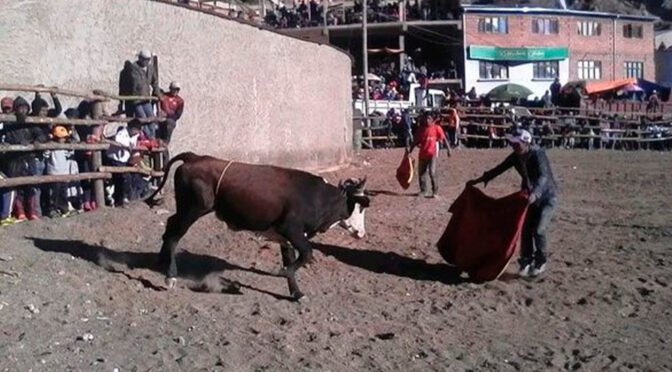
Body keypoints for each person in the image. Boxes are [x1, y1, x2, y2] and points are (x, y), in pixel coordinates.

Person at [466, 129, 558, 278]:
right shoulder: (516, 157)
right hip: (528, 197)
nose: (514, 146)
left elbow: (543, 177)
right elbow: (498, 169)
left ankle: (540, 261)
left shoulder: (538, 154)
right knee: (526, 230)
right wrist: (480, 180)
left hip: (547, 197)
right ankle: (526, 260)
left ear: (526, 143)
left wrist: (535, 194)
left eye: (517, 143)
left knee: (539, 229)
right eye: (513, 143)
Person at [0, 96, 49, 220]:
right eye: (20, 108)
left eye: (25, 108)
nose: (23, 111)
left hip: (28, 158)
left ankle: (31, 211)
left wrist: (36, 142)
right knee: (16, 186)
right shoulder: (9, 123)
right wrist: (5, 144)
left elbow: (41, 135)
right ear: (15, 109)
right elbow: (3, 136)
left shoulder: (30, 123)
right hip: (14, 159)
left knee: (30, 186)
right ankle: (20, 211)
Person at [409, 111, 451, 198]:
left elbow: (444, 139)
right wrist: (410, 151)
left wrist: (449, 149)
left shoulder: (436, 128)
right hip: (422, 154)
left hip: (432, 154)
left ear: (432, 119)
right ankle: (423, 190)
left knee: (432, 172)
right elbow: (415, 141)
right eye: (425, 118)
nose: (427, 120)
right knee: (421, 173)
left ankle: (435, 191)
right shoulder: (421, 130)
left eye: (429, 118)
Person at [118, 50, 160, 137]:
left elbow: (154, 82)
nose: (146, 61)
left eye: (148, 59)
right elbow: (123, 86)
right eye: (145, 59)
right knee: (142, 118)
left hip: (146, 99)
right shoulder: (132, 69)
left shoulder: (150, 68)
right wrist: (121, 102)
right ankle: (147, 136)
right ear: (140, 58)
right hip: (136, 99)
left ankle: (152, 137)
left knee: (151, 118)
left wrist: (157, 92)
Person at [105, 120, 142, 207]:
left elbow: (133, 144)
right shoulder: (121, 133)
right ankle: (120, 200)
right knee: (122, 178)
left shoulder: (135, 135)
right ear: (131, 128)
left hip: (124, 161)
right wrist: (127, 146)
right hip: (114, 159)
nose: (136, 132)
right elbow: (118, 140)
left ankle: (126, 198)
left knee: (130, 178)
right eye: (136, 130)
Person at [45, 126, 78, 218]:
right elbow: (46, 155)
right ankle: (52, 209)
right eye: (61, 137)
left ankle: (64, 208)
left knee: (63, 192)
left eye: (64, 137)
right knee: (54, 193)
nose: (63, 139)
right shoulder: (50, 146)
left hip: (64, 172)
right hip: (54, 173)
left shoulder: (67, 147)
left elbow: (71, 153)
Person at [158, 81, 184, 145]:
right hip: (160, 119)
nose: (176, 91)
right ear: (170, 88)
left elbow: (178, 115)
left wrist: (167, 116)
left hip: (170, 120)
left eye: (177, 89)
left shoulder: (180, 101)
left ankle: (166, 142)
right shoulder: (164, 96)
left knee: (169, 124)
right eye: (174, 89)